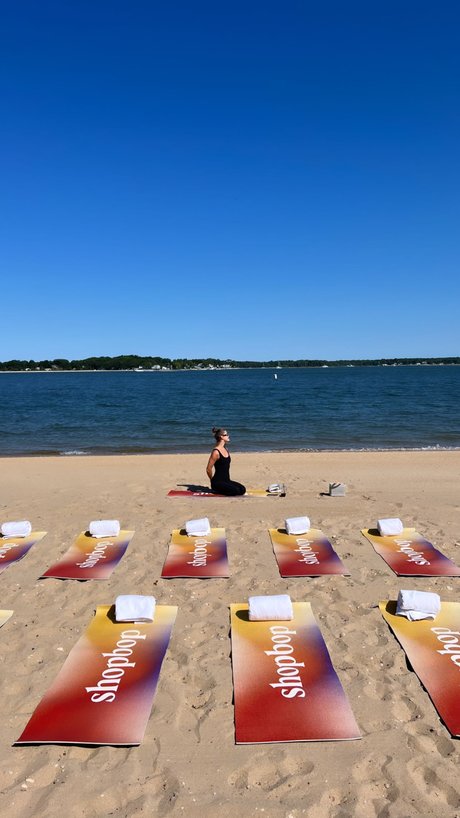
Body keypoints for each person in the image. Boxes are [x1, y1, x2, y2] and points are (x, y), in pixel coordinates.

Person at [206, 427, 246, 496]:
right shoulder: (216, 452)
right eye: (226, 434)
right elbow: (208, 469)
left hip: (226, 481)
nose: (228, 436)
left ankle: (224, 489)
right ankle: (217, 489)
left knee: (242, 489)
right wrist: (212, 480)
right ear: (221, 437)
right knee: (235, 491)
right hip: (217, 482)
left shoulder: (226, 449)